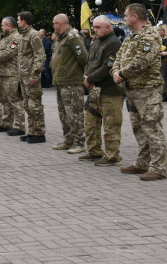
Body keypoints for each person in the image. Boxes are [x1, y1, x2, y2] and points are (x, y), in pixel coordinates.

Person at [113, 3, 167, 181]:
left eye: (126, 15)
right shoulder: (131, 36)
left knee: (152, 127)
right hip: (132, 89)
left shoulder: (149, 34)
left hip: (148, 89)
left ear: (135, 16)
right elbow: (118, 56)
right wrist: (115, 71)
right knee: (139, 128)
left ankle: (158, 167)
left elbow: (143, 61)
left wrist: (121, 73)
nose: (124, 18)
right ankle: (143, 162)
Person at [82, 16, 124, 166]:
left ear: (108, 27)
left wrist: (90, 79)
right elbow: (90, 62)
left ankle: (113, 157)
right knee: (90, 121)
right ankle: (94, 151)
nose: (95, 29)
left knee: (111, 124)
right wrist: (87, 76)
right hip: (95, 89)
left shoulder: (113, 43)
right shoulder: (96, 42)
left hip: (109, 90)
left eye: (98, 27)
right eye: (94, 27)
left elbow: (108, 67)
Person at [50, 13, 88, 152]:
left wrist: (76, 73)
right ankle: (68, 140)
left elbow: (83, 57)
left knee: (74, 113)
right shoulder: (61, 38)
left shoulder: (73, 37)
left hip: (71, 82)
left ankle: (79, 143)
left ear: (60, 23)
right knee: (63, 113)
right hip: (61, 81)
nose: (53, 26)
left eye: (54, 23)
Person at [0, 17, 24, 134]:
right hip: (2, 73)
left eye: (3, 25)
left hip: (11, 74)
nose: (2, 27)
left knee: (14, 100)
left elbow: (9, 52)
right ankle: (7, 123)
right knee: (4, 100)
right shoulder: (5, 38)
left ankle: (19, 126)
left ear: (9, 25)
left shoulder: (16, 37)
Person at [16, 12, 47, 143]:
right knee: (27, 104)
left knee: (35, 104)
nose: (17, 22)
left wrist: (35, 74)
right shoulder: (23, 34)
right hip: (23, 75)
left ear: (24, 21)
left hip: (30, 75)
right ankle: (32, 131)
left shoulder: (33, 34)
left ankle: (39, 133)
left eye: (18, 20)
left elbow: (40, 55)